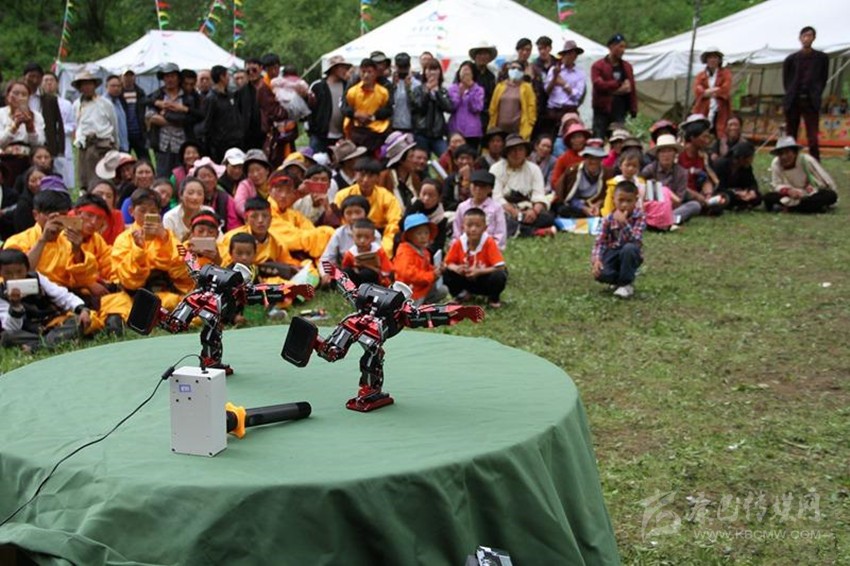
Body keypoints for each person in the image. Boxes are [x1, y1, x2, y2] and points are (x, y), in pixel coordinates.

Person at [110, 187, 195, 318]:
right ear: (131, 211)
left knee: (175, 302)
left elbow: (183, 268)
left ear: (159, 213)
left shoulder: (168, 236)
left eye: (153, 211)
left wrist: (165, 239)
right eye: (142, 211)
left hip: (165, 290)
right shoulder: (123, 239)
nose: (147, 216)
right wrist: (138, 250)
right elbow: (128, 280)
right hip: (134, 293)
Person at [3, 187, 99, 296]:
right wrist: (43, 240)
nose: (56, 221)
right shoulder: (17, 241)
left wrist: (77, 252)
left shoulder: (69, 239)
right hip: (30, 295)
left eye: (62, 215)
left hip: (64, 294)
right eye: (51, 216)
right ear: (36, 215)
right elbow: (19, 274)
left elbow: (82, 280)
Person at [0, 249, 91, 352]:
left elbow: (61, 295)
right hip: (29, 331)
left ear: (27, 269)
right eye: (8, 273)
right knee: (7, 336)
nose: (15, 277)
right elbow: (12, 327)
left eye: (20, 272)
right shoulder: (1, 293)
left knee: (77, 320)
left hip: (52, 324)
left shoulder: (37, 278)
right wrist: (15, 306)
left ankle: (38, 346)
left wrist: (81, 308)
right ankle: (57, 341)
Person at [490, 134, 554, 237]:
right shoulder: (496, 168)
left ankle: (519, 229)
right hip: (506, 209)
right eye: (512, 150)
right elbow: (496, 196)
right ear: (507, 152)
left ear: (525, 152)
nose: (516, 153)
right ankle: (534, 232)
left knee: (547, 218)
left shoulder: (534, 169)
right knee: (498, 218)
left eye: (520, 150)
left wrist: (534, 211)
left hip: (527, 209)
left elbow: (539, 195)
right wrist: (513, 211)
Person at [334, 158, 402, 255]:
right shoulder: (343, 195)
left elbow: (394, 222)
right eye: (362, 175)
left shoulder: (387, 197)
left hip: (378, 234)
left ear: (378, 178)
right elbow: (340, 220)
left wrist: (385, 248)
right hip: (349, 233)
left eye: (371, 176)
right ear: (355, 175)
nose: (365, 180)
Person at [146, 63, 203, 177]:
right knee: (162, 177)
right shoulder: (158, 95)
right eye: (167, 76)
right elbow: (150, 116)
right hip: (162, 144)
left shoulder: (189, 97)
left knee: (183, 177)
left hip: (183, 145)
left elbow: (193, 118)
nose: (170, 80)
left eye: (172, 76)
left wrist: (166, 116)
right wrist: (176, 119)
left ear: (178, 78)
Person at [444, 207, 508, 308]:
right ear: (463, 227)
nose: (473, 229)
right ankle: (461, 294)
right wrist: (457, 268)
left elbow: (500, 266)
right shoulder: (459, 242)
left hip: (484, 280)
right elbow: (448, 263)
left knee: (499, 275)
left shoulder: (489, 242)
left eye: (478, 226)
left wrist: (479, 271)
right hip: (466, 278)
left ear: (485, 228)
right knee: (447, 272)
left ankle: (493, 298)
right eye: (469, 225)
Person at [782, 26, 830, 161]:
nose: (806, 38)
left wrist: (816, 92)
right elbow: (786, 80)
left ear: (814, 38)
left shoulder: (821, 58)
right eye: (804, 36)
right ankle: (790, 161)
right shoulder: (791, 59)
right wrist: (791, 94)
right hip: (794, 100)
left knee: (813, 137)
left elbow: (823, 78)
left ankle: (815, 163)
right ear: (800, 38)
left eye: (809, 36)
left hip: (810, 100)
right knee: (791, 135)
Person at [591, 180, 645, 299]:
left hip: (631, 253)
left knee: (629, 249)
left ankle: (626, 284)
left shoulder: (639, 217)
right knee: (601, 273)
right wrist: (597, 260)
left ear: (636, 201)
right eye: (621, 200)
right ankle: (618, 280)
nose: (624, 205)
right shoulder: (608, 219)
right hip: (613, 253)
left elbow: (635, 241)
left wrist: (623, 223)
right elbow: (600, 242)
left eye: (629, 201)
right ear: (613, 200)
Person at [218, 197, 298, 274]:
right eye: (254, 216)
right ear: (246, 219)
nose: (260, 221)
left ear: (271, 219)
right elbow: (223, 265)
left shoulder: (277, 242)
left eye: (265, 216)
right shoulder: (231, 238)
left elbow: (287, 262)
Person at [641, 134, 702, 226]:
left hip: (672, 208)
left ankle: (665, 219)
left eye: (669, 151)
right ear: (658, 154)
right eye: (663, 152)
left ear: (675, 154)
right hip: (653, 207)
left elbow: (679, 200)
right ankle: (664, 219)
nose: (666, 155)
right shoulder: (649, 170)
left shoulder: (682, 172)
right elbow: (643, 195)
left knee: (695, 205)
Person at [765, 136, 837, 213]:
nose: (784, 157)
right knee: (768, 197)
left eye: (787, 152)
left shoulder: (806, 161)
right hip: (788, 195)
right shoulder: (776, 163)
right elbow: (776, 184)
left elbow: (822, 182)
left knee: (830, 195)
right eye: (781, 153)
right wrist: (789, 191)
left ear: (795, 152)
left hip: (809, 195)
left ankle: (792, 208)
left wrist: (808, 190)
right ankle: (806, 208)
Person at [319, 194, 375, 285]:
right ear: (343, 216)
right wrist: (325, 274)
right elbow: (327, 257)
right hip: (347, 270)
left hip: (368, 270)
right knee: (345, 272)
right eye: (349, 213)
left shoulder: (374, 233)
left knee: (368, 273)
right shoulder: (339, 233)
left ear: (366, 213)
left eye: (358, 212)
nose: (354, 217)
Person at [392, 213, 447, 305]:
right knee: (414, 308)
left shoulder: (424, 251)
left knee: (443, 290)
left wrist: (436, 269)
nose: (423, 236)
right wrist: (431, 275)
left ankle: (424, 305)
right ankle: (415, 308)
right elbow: (409, 274)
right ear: (409, 235)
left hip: (421, 288)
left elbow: (426, 267)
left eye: (426, 233)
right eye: (419, 233)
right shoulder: (404, 251)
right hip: (409, 292)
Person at [342, 58, 392, 154]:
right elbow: (345, 109)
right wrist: (356, 114)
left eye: (369, 72)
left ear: (375, 73)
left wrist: (372, 117)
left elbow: (388, 110)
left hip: (377, 132)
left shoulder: (383, 92)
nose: (366, 75)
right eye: (363, 72)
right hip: (357, 132)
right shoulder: (352, 92)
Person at [591, 34, 637, 139]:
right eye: (620, 46)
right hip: (602, 109)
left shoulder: (627, 66)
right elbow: (598, 84)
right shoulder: (598, 66)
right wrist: (618, 85)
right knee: (598, 138)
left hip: (620, 110)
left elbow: (631, 87)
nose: (623, 50)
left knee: (618, 138)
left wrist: (633, 107)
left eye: (624, 47)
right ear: (611, 47)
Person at [1, 81, 46, 183]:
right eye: (16, 93)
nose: (20, 97)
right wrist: (15, 126)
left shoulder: (36, 116)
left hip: (27, 161)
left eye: (24, 94)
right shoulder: (1, 114)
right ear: (8, 96)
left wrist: (30, 127)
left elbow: (39, 143)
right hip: (4, 161)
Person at [678, 114, 724, 214]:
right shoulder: (678, 156)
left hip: (698, 194)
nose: (707, 141)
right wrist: (697, 196)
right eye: (704, 137)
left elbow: (707, 179)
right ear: (692, 138)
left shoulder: (703, 156)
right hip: (681, 193)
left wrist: (708, 194)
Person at [452, 170, 507, 249]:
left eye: (482, 186)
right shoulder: (462, 207)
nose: (478, 189)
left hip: (489, 248)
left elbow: (500, 233)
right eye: (475, 185)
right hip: (465, 248)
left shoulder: (496, 208)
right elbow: (457, 231)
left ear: (490, 189)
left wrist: (491, 249)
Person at [308, 56, 352, 153]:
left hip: (341, 137)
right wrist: (313, 130)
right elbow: (309, 110)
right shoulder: (318, 86)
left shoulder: (347, 86)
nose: (345, 71)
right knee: (318, 160)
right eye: (343, 67)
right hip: (320, 136)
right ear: (334, 68)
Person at [201, 66, 244, 164]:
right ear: (222, 77)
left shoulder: (230, 95)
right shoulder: (211, 98)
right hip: (220, 144)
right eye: (227, 75)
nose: (229, 78)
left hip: (235, 140)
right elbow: (207, 123)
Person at [543, 41, 586, 139]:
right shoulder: (554, 70)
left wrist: (564, 84)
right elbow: (547, 91)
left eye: (570, 54)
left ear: (575, 56)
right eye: (566, 54)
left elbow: (577, 96)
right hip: (553, 110)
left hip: (569, 111)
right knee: (550, 138)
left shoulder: (580, 74)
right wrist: (554, 78)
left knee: (570, 138)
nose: (567, 57)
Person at [409, 60, 452, 158]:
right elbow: (420, 107)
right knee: (421, 160)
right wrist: (427, 91)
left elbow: (448, 108)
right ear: (425, 72)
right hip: (421, 133)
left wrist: (437, 93)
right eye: (429, 69)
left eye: (435, 69)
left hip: (438, 134)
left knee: (446, 158)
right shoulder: (418, 90)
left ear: (440, 72)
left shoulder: (443, 90)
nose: (432, 72)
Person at [22, 63, 64, 161]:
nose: (34, 80)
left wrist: (60, 148)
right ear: (24, 77)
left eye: (38, 77)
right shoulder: (16, 97)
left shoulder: (50, 100)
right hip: (22, 141)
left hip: (44, 143)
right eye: (31, 76)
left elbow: (58, 124)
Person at [553, 145, 611, 218]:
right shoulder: (573, 171)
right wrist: (583, 208)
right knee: (563, 210)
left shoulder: (607, 173)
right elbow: (569, 196)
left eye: (597, 159)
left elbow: (607, 195)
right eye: (590, 158)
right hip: (576, 205)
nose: (593, 162)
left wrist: (597, 205)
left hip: (595, 205)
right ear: (585, 158)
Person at [40, 72, 76, 188]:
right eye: (46, 80)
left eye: (51, 80)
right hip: (44, 141)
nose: (49, 83)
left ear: (57, 84)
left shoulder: (66, 104)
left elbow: (73, 124)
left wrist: (58, 129)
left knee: (63, 171)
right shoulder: (39, 103)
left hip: (62, 140)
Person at [489, 61, 537, 140]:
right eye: (513, 68)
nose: (516, 71)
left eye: (519, 69)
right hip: (499, 129)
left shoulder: (527, 87)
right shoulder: (500, 86)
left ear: (523, 72)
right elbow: (493, 106)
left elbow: (531, 107)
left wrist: (530, 123)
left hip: (518, 130)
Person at [340, 217, 393, 286]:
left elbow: (386, 272)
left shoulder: (379, 251)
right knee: (347, 272)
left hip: (374, 280)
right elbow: (345, 268)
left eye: (367, 237)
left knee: (366, 273)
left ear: (373, 238)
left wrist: (366, 266)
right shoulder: (350, 253)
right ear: (353, 236)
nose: (362, 241)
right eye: (358, 236)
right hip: (356, 280)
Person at [692, 48, 732, 138]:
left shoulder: (725, 73)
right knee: (702, 132)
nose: (712, 60)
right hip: (703, 110)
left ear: (719, 60)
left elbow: (725, 89)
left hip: (721, 110)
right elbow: (698, 90)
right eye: (710, 57)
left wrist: (709, 91)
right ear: (706, 60)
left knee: (720, 133)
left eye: (715, 57)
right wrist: (711, 91)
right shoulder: (700, 75)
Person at [400, 178, 447, 256]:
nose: (426, 198)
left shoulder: (440, 217)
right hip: (408, 245)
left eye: (431, 195)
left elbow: (438, 244)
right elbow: (401, 226)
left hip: (427, 250)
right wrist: (414, 208)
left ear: (439, 198)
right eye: (423, 194)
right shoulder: (413, 204)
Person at [713, 141, 762, 211]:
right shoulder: (721, 165)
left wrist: (752, 191)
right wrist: (735, 192)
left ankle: (740, 205)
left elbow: (752, 182)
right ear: (742, 158)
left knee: (758, 197)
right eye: (750, 157)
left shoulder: (746, 167)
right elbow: (718, 186)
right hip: (724, 192)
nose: (751, 160)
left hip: (741, 193)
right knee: (727, 196)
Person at [447, 61, 485, 149]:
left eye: (468, 72)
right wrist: (460, 94)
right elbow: (452, 107)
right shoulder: (453, 88)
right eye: (463, 71)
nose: (465, 74)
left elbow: (477, 108)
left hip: (472, 131)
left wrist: (470, 90)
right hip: (455, 128)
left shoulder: (478, 89)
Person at [378, 132, 421, 210]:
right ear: (401, 160)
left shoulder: (414, 178)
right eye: (411, 157)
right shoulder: (385, 177)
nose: (415, 161)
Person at [234, 149, 272, 220]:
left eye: (258, 170)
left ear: (267, 170)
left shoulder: (274, 184)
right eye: (251, 171)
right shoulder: (245, 185)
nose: (255, 174)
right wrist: (253, 217)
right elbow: (239, 204)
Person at [469, 41, 498, 134]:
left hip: (486, 116)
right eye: (480, 54)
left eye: (485, 54)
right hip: (470, 114)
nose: (483, 57)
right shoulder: (468, 72)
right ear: (475, 56)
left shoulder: (491, 76)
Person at [551, 123, 592, 189]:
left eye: (579, 137)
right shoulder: (563, 158)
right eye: (573, 138)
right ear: (569, 141)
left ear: (585, 139)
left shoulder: (591, 156)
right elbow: (554, 181)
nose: (576, 140)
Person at [120, 70, 148, 160]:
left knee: (144, 159)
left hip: (139, 133)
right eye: (126, 76)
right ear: (121, 77)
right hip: (124, 134)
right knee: (124, 160)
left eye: (131, 76)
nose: (128, 78)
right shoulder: (118, 94)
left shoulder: (140, 93)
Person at [441, 144, 477, 212]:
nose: (465, 162)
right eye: (462, 158)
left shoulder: (479, 178)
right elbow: (446, 204)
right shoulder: (450, 179)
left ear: (474, 161)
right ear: (455, 161)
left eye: (468, 158)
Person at [389, 53, 419, 134]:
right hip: (392, 126)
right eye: (400, 67)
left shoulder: (416, 84)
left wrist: (408, 89)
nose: (402, 70)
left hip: (410, 127)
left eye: (404, 67)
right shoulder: (389, 83)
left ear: (409, 67)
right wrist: (393, 87)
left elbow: (416, 105)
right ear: (395, 67)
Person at [89, 179, 125, 245]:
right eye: (99, 194)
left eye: (109, 196)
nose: (104, 199)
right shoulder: (77, 215)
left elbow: (118, 245)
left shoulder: (117, 216)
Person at [103, 75, 130, 153]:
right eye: (113, 86)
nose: (116, 88)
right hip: (110, 146)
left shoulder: (119, 101)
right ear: (106, 86)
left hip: (122, 145)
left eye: (119, 86)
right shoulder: (103, 103)